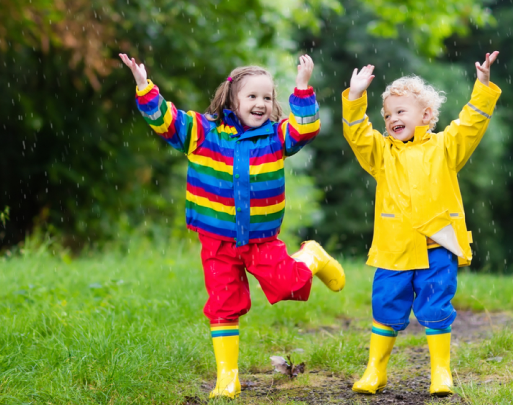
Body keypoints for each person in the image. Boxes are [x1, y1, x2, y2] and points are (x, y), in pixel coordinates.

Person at [119, 53, 345, 399]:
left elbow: (306, 127)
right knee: (223, 305)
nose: (260, 104)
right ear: (232, 100)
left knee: (287, 285)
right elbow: (166, 120)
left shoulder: (276, 137)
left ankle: (312, 256)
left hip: (261, 240)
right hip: (217, 242)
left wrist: (302, 88)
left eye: (267, 98)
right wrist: (143, 86)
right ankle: (228, 376)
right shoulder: (202, 132)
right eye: (252, 97)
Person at [341, 51, 501, 396]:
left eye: (400, 112)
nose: (391, 119)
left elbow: (472, 122)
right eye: (387, 115)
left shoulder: (446, 146)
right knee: (385, 305)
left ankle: (440, 371)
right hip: (394, 248)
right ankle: (375, 370)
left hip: (438, 245)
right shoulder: (381, 153)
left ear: (426, 115)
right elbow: (357, 134)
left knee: (436, 305)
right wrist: (355, 98)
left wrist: (483, 86)